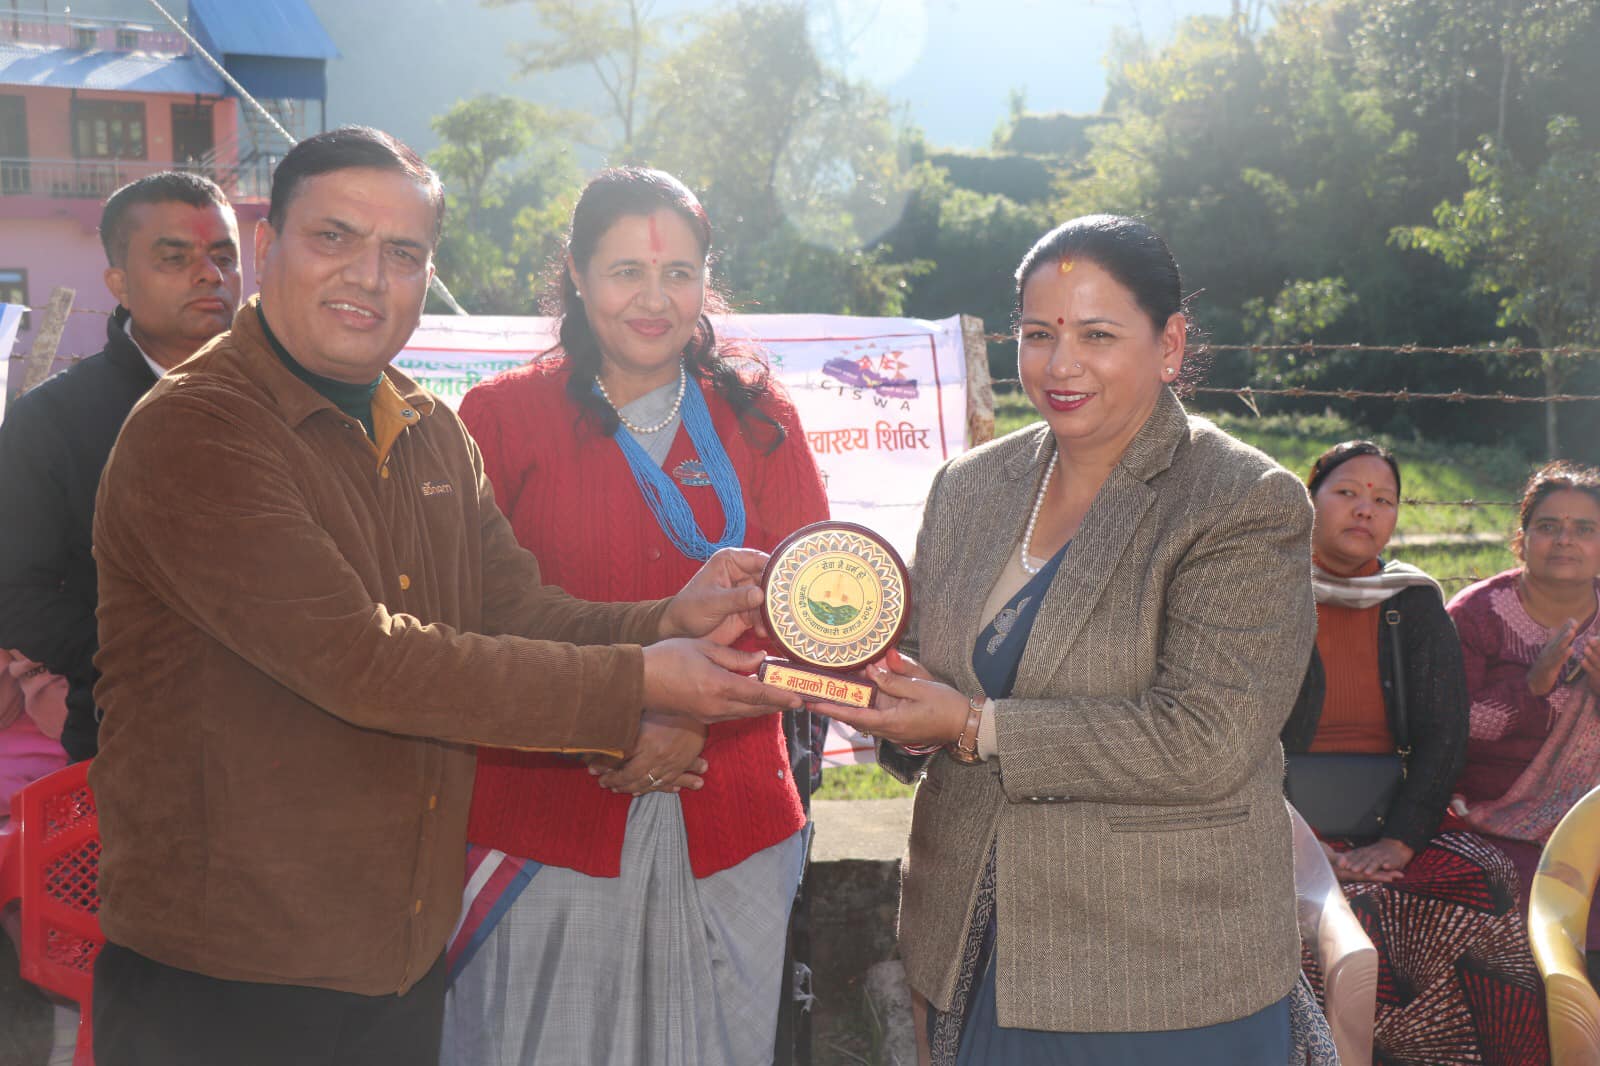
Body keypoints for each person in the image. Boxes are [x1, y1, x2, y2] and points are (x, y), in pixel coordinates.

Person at [86, 127, 800, 1066]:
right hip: (233, 968)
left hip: (395, 951)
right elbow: (364, 663)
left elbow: (516, 611)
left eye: (403, 252)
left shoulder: (425, 427)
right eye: (334, 238)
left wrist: (667, 618)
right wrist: (640, 682)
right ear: (268, 246)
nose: (368, 276)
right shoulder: (199, 428)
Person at [819, 215, 1316, 1063]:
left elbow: (1206, 740)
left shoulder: (1237, 500)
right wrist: (881, 694)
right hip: (971, 949)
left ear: (1169, 345)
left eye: (1097, 335)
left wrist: (973, 726)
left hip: (1160, 971)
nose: (1061, 365)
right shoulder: (970, 486)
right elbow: (936, 673)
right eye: (1039, 334)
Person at [440, 167, 829, 1066]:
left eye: (679, 273)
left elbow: (812, 614)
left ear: (705, 281)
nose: (655, 300)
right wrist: (622, 711)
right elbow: (474, 620)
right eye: (626, 272)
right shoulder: (502, 417)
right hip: (544, 813)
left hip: (729, 811)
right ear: (577, 275)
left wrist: (690, 713)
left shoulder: (759, 419)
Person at [1282, 441, 1548, 1063]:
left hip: (1394, 815)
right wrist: (1306, 846)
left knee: (1488, 881)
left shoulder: (1413, 599)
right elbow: (1237, 731)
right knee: (1325, 914)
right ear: (1309, 500)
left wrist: (1399, 842)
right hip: (1280, 819)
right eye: (1347, 493)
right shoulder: (1266, 591)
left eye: (1384, 500)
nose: (1365, 510)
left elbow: (1444, 734)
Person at [0, 171, 242, 762]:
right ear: (120, 284)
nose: (210, 274)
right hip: (134, 740)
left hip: (299, 741)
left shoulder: (288, 400)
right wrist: (145, 658)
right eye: (174, 257)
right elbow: (15, 593)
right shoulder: (51, 420)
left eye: (223, 256)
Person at [1446, 460, 1600, 983]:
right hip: (1491, 814)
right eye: (1549, 526)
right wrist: (1530, 688)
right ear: (1523, 538)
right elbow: (1449, 731)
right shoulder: (1477, 614)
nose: (1565, 540)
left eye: (1584, 529)